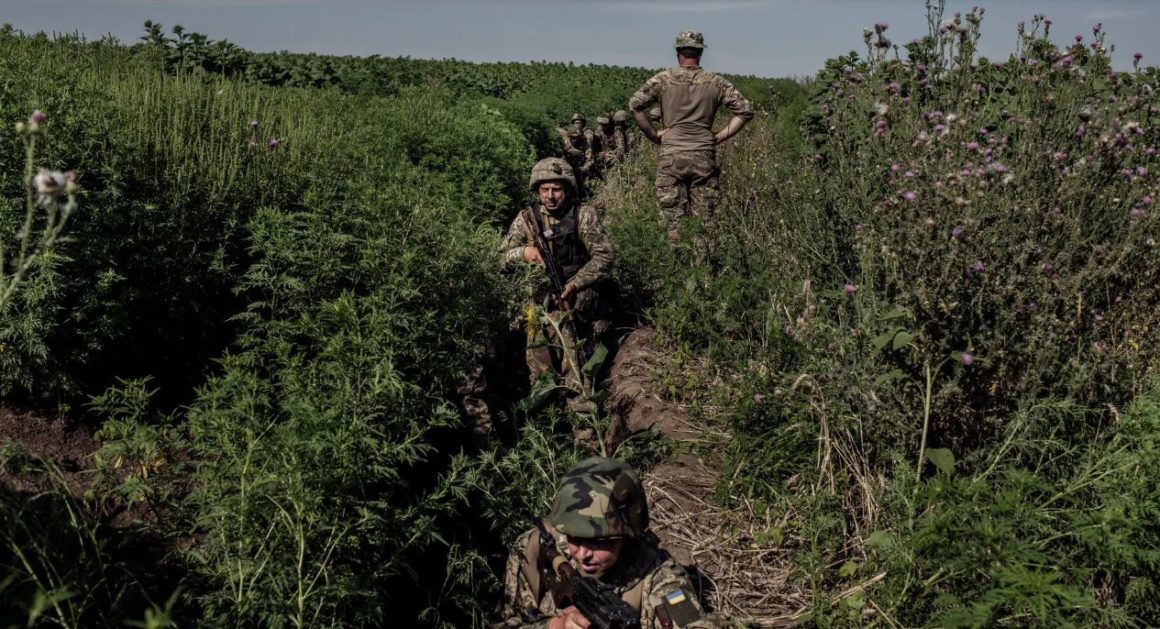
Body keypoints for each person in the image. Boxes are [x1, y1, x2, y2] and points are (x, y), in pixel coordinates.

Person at [496, 457, 720, 629]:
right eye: (575, 538)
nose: (582, 554)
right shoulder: (540, 545)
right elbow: (505, 622)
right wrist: (554, 625)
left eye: (599, 542)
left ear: (626, 535)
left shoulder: (660, 579)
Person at [502, 158, 614, 413]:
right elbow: (499, 257)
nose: (550, 196)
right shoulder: (526, 219)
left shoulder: (583, 215)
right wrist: (523, 253)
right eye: (545, 190)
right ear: (537, 190)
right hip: (538, 311)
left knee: (577, 373)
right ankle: (547, 427)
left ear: (568, 189)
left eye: (557, 189)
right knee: (541, 375)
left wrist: (575, 284)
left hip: (574, 306)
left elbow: (605, 256)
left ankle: (584, 428)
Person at [628, 31, 754, 244]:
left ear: (678, 52)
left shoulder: (663, 80)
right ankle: (703, 263)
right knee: (704, 225)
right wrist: (718, 137)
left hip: (671, 156)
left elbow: (635, 105)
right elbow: (745, 111)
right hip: (703, 156)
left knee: (673, 224)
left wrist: (654, 135)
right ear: (700, 53)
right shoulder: (716, 82)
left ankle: (677, 261)